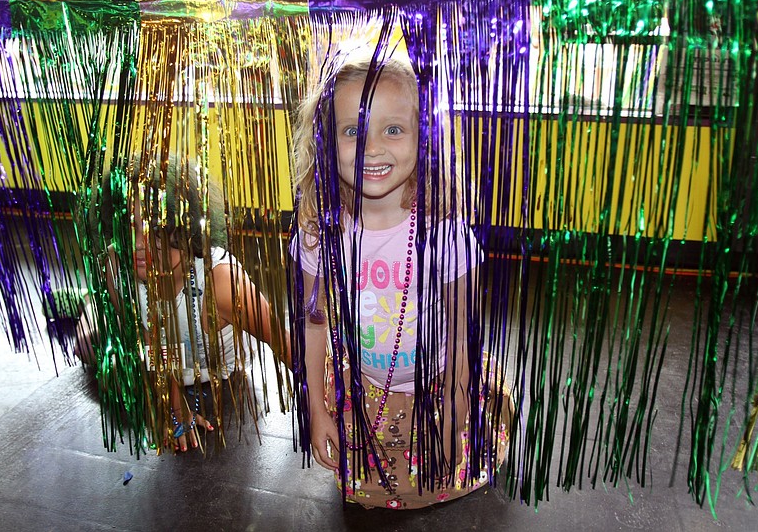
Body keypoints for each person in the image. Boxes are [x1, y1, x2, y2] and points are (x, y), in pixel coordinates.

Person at [290, 52, 514, 509]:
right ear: (326, 141)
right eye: (353, 131)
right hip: (366, 387)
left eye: (393, 129)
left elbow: (461, 328)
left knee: (441, 472)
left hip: (438, 382)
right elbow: (313, 325)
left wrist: (454, 406)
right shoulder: (319, 230)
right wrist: (316, 409)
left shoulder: (443, 230)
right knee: (367, 490)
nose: (372, 148)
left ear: (423, 137)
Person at [77, 159, 290, 453]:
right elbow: (147, 342)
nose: (139, 243)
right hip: (161, 350)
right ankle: (90, 305)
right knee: (86, 346)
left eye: (154, 228)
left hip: (219, 369)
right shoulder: (116, 263)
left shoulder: (222, 283)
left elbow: (285, 344)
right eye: (129, 227)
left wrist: (328, 407)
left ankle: (90, 303)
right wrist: (176, 409)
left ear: (184, 228)